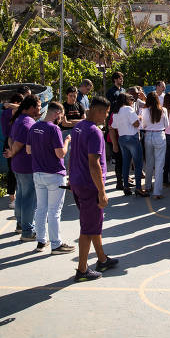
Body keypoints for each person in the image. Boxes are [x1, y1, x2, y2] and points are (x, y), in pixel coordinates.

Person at [70, 96, 118, 281]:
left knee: (93, 224)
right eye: (105, 113)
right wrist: (102, 192)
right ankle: (82, 270)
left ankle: (102, 259)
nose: (106, 117)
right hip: (90, 186)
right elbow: (94, 164)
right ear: (98, 111)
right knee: (88, 229)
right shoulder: (94, 132)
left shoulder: (78, 127)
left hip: (78, 183)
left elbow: (76, 156)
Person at [27, 102, 75, 254]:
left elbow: (28, 150)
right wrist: (67, 141)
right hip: (54, 174)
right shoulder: (54, 129)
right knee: (55, 210)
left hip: (38, 173)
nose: (62, 118)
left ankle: (41, 241)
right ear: (57, 113)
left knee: (41, 208)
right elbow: (60, 153)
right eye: (61, 115)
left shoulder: (34, 127)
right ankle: (56, 244)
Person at [5, 94, 42, 241]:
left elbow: (10, 139)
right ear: (32, 107)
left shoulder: (19, 120)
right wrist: (13, 151)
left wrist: (12, 153)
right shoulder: (28, 123)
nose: (40, 110)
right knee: (29, 199)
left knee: (20, 195)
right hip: (26, 166)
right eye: (38, 107)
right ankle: (27, 231)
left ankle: (21, 224)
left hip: (17, 165)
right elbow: (18, 144)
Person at [112, 93, 145, 196]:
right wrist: (139, 117)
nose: (132, 101)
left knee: (126, 163)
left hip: (122, 138)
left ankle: (126, 186)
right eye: (130, 98)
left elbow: (113, 126)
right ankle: (138, 188)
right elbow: (136, 124)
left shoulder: (116, 112)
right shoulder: (128, 109)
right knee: (138, 163)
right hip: (132, 137)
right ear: (125, 100)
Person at [142, 91, 169, 199]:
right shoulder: (163, 110)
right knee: (159, 165)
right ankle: (157, 192)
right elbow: (166, 125)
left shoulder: (144, 110)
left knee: (149, 163)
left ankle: (148, 186)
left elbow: (143, 125)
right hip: (160, 135)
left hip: (148, 135)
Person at [1, 92, 24, 210]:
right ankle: (12, 199)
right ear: (15, 103)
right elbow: (22, 108)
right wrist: (8, 105)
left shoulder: (12, 111)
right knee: (12, 172)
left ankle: (17, 196)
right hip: (10, 143)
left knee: (17, 170)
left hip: (15, 141)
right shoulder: (7, 112)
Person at [107, 93, 127, 194]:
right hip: (115, 140)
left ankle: (124, 181)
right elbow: (111, 129)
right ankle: (119, 183)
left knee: (123, 162)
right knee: (119, 162)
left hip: (121, 140)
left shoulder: (124, 111)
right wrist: (115, 145)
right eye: (129, 99)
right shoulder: (116, 112)